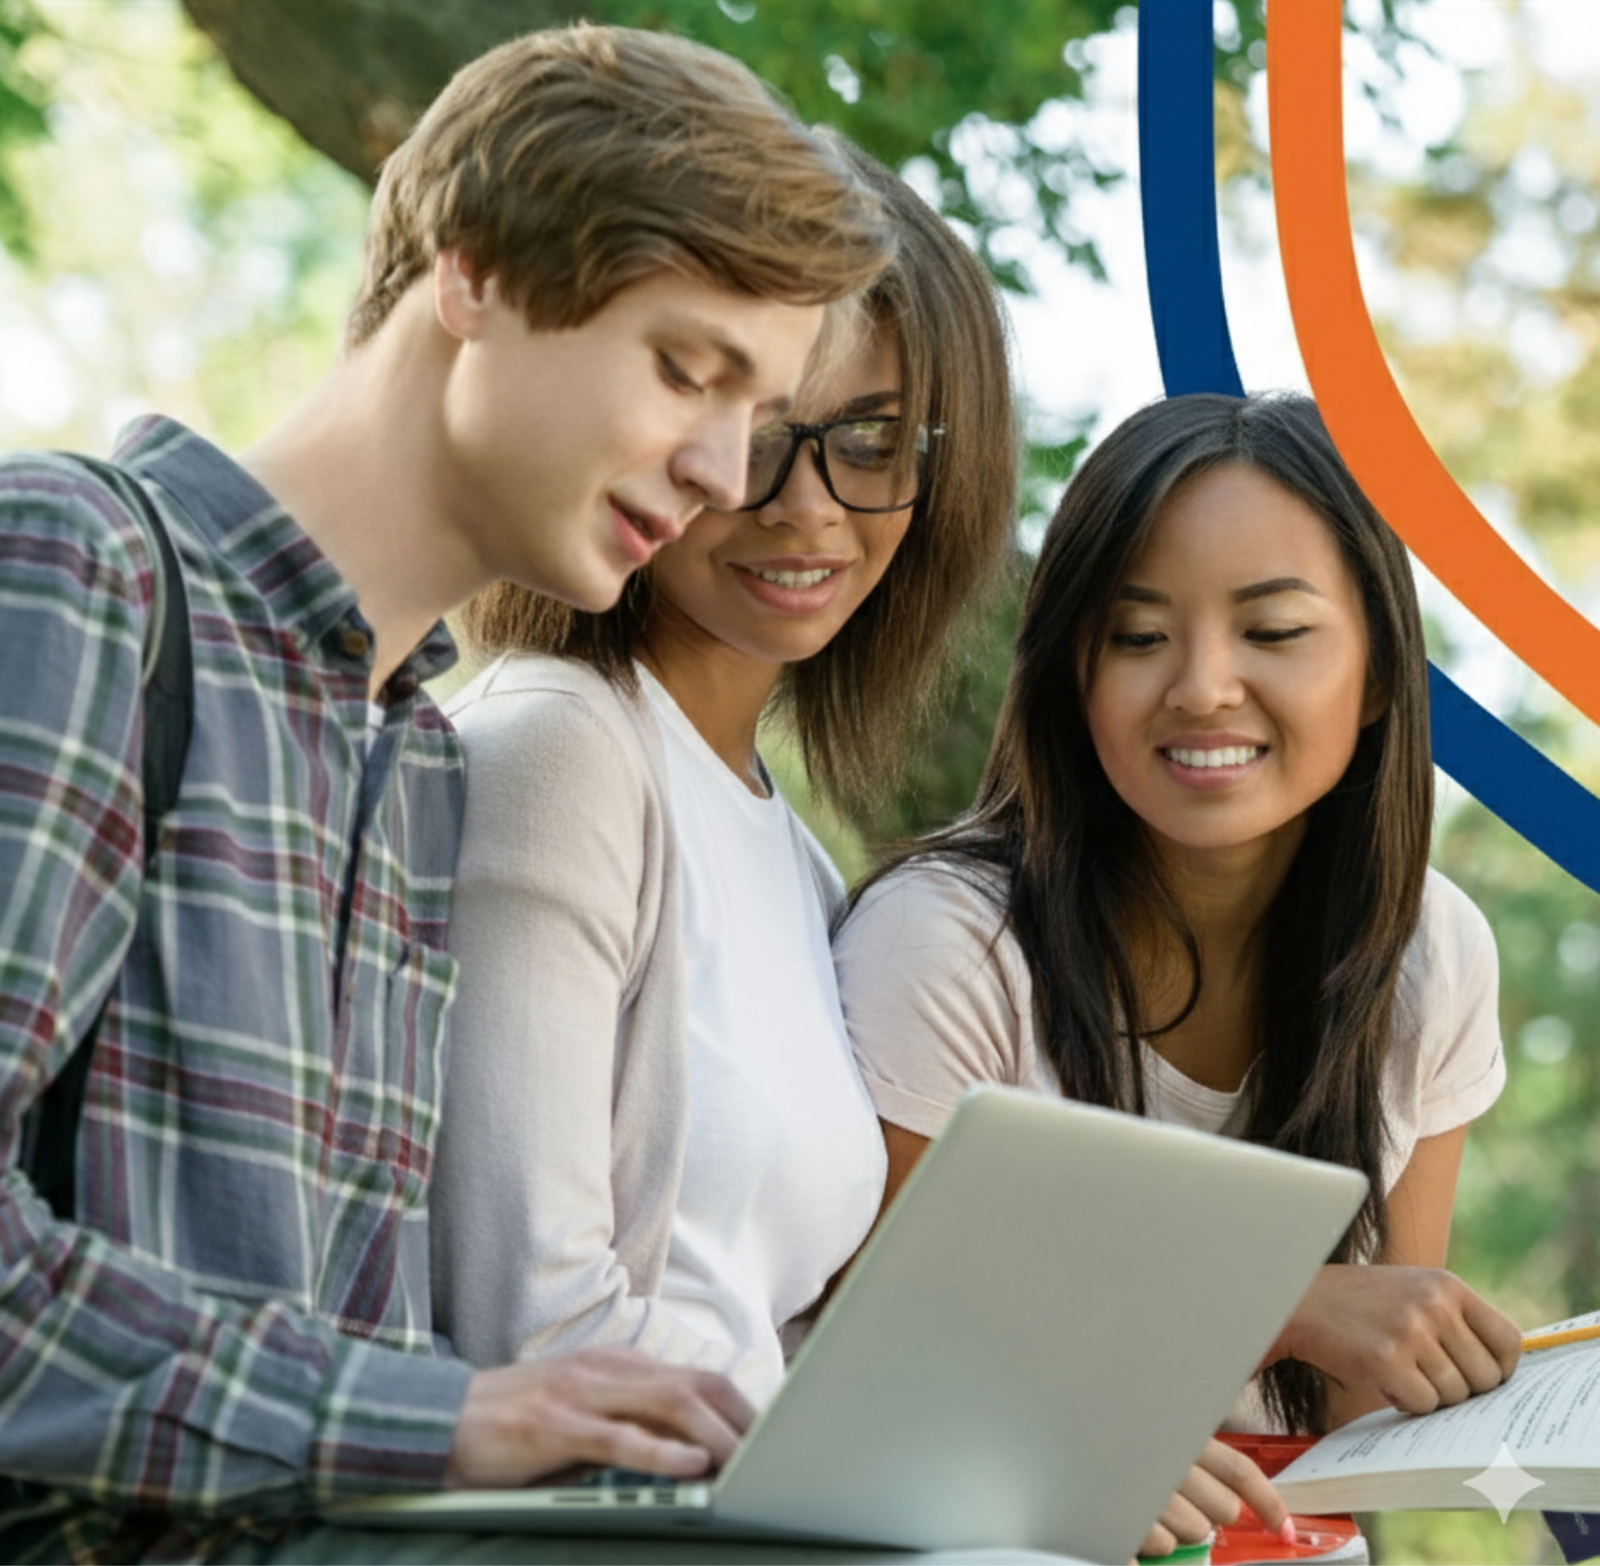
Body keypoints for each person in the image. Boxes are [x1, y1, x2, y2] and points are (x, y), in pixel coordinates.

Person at [0, 25, 894, 1562]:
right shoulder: (69, 568)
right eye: (688, 370)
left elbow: (333, 1379)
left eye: (761, 409)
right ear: (473, 272)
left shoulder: (414, 768)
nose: (729, 475)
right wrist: (438, 1418)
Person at [430, 155, 1280, 1561]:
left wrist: (1064, 1425)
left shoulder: (794, 858)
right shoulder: (557, 751)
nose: (808, 506)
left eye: (874, 441)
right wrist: (986, 1455)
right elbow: (529, 1334)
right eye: (763, 428)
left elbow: (791, 1335)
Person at [836, 393, 1522, 1462]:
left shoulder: (1430, 954)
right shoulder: (944, 947)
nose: (1202, 688)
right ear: (1074, 674)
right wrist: (1283, 1303)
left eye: (1274, 631)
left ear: (1382, 671)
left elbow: (1372, 1418)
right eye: (1140, 637)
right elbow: (880, 1354)